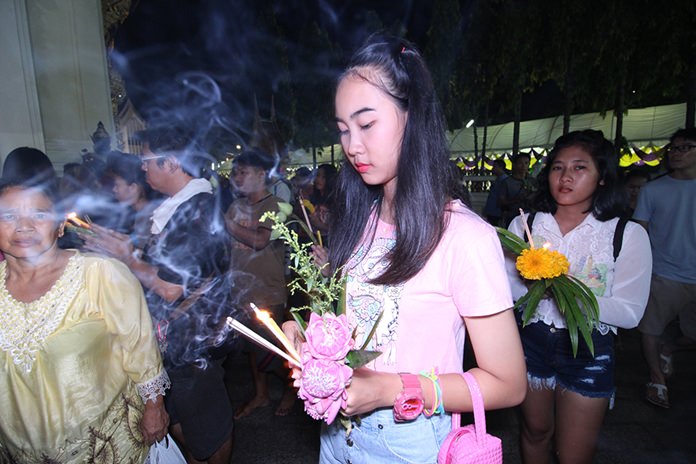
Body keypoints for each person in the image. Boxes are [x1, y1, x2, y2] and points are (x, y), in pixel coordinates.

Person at [283, 35, 526, 463]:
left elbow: (508, 383)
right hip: (337, 437)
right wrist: (310, 341)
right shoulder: (357, 220)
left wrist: (388, 388)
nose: (352, 145)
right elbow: (355, 323)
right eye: (343, 129)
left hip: (409, 441)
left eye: (366, 124)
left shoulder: (465, 238)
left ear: (412, 116)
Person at [80, 127, 234, 464]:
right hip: (174, 343)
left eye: (148, 161)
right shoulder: (176, 208)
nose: (143, 168)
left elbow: (169, 287)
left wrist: (127, 257)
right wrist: (126, 250)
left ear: (172, 162)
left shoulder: (197, 209)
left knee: (208, 432)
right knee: (184, 428)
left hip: (195, 344)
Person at [506, 130, 652, 464]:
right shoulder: (524, 226)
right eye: (557, 168)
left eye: (579, 167)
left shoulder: (625, 234)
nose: (566, 176)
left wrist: (567, 291)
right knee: (534, 432)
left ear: (602, 178)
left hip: (589, 349)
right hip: (531, 342)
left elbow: (630, 313)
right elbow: (507, 292)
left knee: (573, 453)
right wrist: (532, 284)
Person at [0, 177, 170, 462]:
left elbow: (139, 346)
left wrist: (155, 406)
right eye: (8, 215)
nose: (23, 226)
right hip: (18, 449)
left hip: (108, 443)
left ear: (59, 224)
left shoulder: (100, 274)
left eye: (39, 214)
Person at [224, 149, 295, 418]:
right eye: (235, 172)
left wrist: (227, 224)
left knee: (272, 349)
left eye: (243, 172)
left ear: (261, 174)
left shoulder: (275, 205)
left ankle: (295, 386)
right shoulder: (236, 207)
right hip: (242, 289)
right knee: (253, 347)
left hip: (267, 289)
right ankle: (261, 394)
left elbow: (260, 240)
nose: (237, 177)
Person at [634, 127, 696, 409]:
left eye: (686, 147)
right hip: (663, 273)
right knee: (650, 329)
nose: (677, 153)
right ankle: (656, 378)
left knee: (690, 335)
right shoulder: (653, 189)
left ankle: (669, 349)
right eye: (674, 148)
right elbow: (640, 232)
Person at [499, 152, 535, 227]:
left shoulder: (532, 181)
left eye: (526, 163)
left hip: (530, 216)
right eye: (520, 163)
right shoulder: (507, 182)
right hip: (512, 217)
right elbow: (501, 202)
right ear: (514, 165)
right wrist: (517, 200)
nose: (523, 166)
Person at [482, 158, 508, 226]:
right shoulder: (498, 179)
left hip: (497, 213)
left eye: (494, 167)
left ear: (501, 167)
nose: (492, 169)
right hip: (492, 211)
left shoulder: (505, 180)